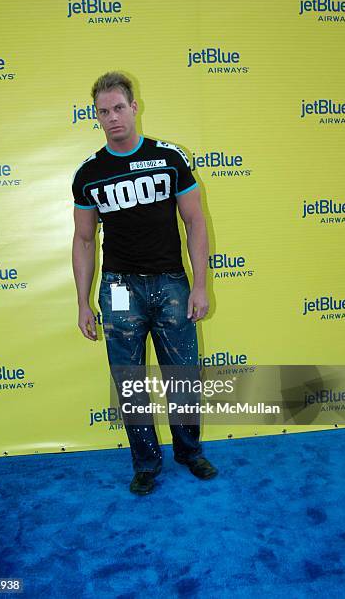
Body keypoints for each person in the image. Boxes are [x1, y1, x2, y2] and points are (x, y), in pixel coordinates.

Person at [72, 71, 218, 495]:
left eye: (119, 107)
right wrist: (83, 302)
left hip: (172, 283)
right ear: (96, 116)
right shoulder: (89, 173)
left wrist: (200, 285)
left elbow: (195, 221)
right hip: (119, 288)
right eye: (104, 111)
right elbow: (83, 240)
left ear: (134, 107)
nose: (113, 117)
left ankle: (189, 452)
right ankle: (145, 464)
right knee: (130, 381)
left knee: (183, 377)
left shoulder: (169, 158)